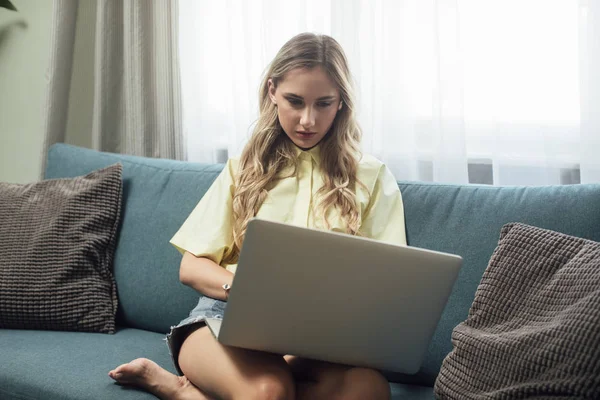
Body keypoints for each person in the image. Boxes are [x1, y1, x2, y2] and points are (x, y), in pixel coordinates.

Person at [108, 32, 406, 400]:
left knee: (369, 389)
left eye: (324, 104)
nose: (307, 120)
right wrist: (250, 296)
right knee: (269, 391)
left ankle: (182, 393)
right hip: (224, 320)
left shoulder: (371, 177)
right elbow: (192, 266)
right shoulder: (243, 169)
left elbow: (389, 282)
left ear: (341, 102)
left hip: (316, 341)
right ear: (271, 92)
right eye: (294, 101)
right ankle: (180, 386)